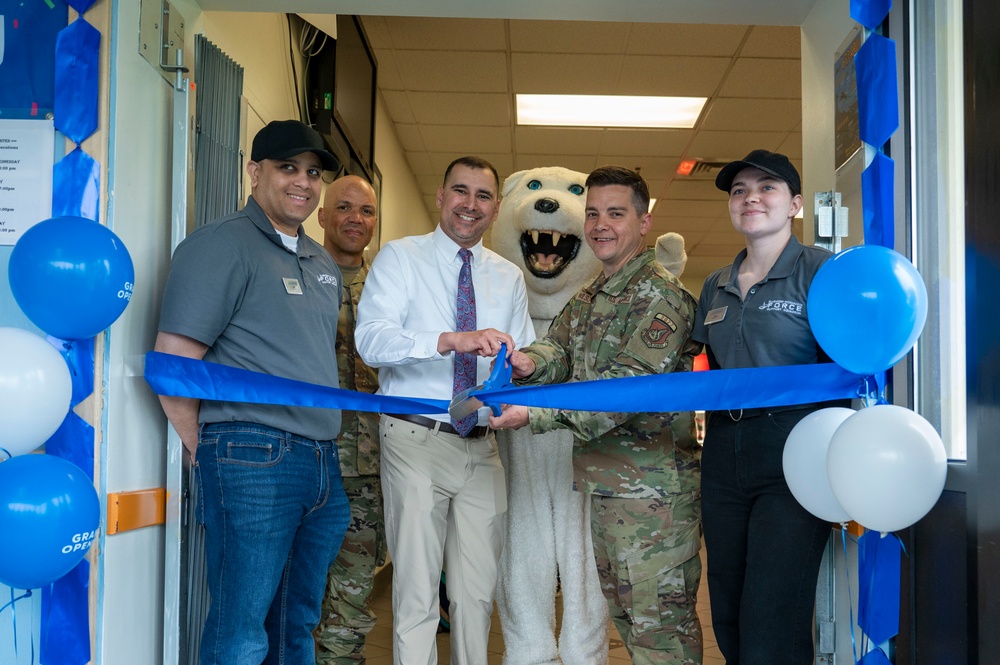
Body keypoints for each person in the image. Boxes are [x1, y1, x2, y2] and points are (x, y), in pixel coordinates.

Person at [154, 119, 351, 665]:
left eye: (313, 173)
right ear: (254, 170)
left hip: (319, 464)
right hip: (251, 455)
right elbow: (174, 363)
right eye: (288, 168)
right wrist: (206, 446)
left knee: (296, 625)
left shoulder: (321, 262)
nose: (303, 183)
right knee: (240, 633)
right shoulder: (221, 245)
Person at [490, 165, 704, 663]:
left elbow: (621, 393)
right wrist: (527, 363)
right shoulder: (591, 296)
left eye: (615, 213)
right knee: (631, 629)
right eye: (592, 214)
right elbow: (557, 350)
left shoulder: (661, 296)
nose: (600, 225)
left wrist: (533, 416)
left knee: (661, 638)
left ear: (644, 222)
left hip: (654, 500)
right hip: (608, 492)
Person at [354, 156, 534, 663]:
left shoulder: (508, 277)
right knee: (415, 595)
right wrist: (452, 340)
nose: (469, 204)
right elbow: (371, 341)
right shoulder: (399, 258)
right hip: (415, 440)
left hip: (482, 448)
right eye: (460, 190)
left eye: (482, 196)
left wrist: (521, 372)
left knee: (476, 596)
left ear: (496, 208)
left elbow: (528, 355)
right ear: (440, 196)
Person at [692, 150, 843, 664]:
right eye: (738, 191)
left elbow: (846, 370)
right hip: (724, 450)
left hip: (795, 451)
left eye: (767, 188)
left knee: (772, 613)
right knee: (728, 610)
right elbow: (703, 370)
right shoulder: (714, 284)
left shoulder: (823, 273)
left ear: (795, 205)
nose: (750, 197)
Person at [312, 175, 385, 663]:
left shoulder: (389, 288)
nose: (355, 219)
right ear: (321, 215)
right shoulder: (294, 279)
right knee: (295, 587)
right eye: (344, 207)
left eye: (366, 211)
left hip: (369, 467)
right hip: (304, 458)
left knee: (353, 594)